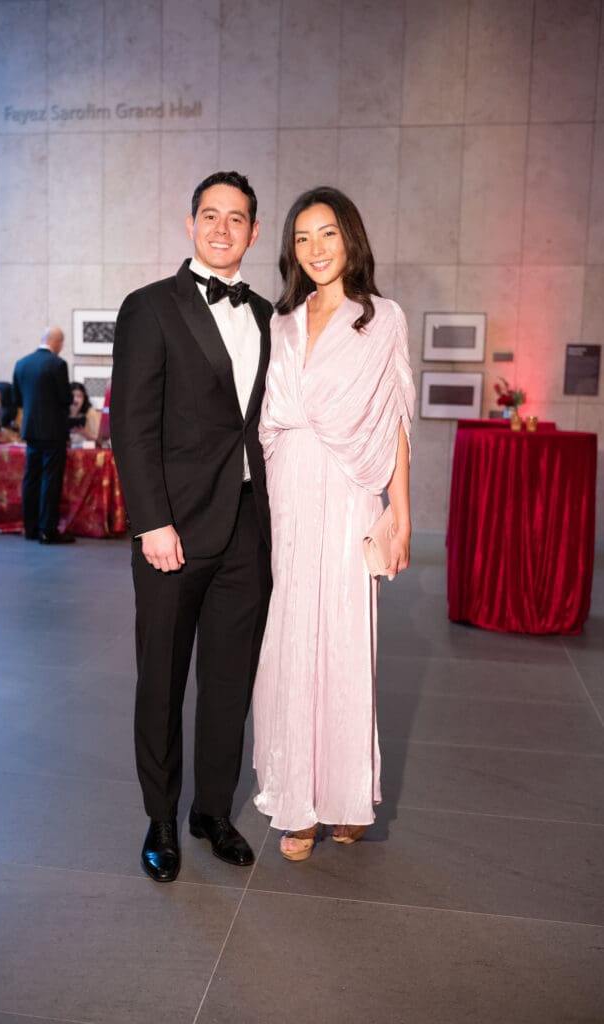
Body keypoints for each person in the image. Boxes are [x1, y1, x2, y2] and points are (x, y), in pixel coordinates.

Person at [110, 170, 273, 883]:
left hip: (246, 527)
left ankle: (212, 810)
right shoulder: (150, 308)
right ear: (190, 224)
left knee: (230, 681)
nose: (221, 229)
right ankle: (161, 818)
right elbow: (131, 426)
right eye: (210, 216)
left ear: (254, 233)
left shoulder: (269, 315)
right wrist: (152, 522)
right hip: (171, 532)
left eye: (236, 219)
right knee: (163, 681)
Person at [252, 186, 415, 861]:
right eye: (301, 238)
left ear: (350, 237)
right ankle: (299, 803)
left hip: (351, 495)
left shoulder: (382, 319)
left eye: (327, 234)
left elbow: (396, 422)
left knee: (347, 645)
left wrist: (401, 515)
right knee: (292, 642)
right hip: (290, 494)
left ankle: (346, 795)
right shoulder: (281, 323)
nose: (315, 249)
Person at [12, 327, 75, 544]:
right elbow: (66, 399)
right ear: (56, 343)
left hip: (30, 430)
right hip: (53, 431)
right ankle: (48, 530)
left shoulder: (21, 364)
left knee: (31, 478)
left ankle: (30, 528)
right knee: (50, 479)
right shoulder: (57, 364)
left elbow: (18, 400)